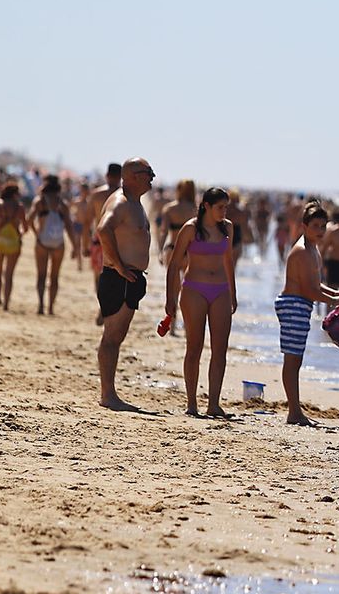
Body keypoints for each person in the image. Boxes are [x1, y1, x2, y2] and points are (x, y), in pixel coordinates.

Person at [274, 200, 339, 427]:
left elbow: (316, 283)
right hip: (294, 304)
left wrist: (335, 292)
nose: (320, 230)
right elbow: (309, 290)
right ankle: (294, 411)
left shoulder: (312, 249)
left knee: (296, 359)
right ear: (305, 226)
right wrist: (334, 300)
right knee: (292, 360)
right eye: (315, 225)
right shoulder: (302, 251)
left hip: (300, 304)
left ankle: (295, 410)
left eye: (323, 226)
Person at [164, 187, 237, 418]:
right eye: (220, 207)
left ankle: (213, 404)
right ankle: (192, 403)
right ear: (206, 205)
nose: (224, 211)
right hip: (194, 290)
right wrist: (170, 298)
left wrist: (233, 294)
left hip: (221, 292)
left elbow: (228, 261)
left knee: (220, 349)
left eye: (226, 207)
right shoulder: (190, 229)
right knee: (194, 347)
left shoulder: (228, 228)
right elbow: (174, 265)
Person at [95, 158, 155, 411]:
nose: (152, 176)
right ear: (132, 176)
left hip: (129, 279)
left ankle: (110, 393)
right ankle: (108, 395)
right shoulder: (120, 201)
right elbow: (103, 229)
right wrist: (119, 265)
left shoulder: (134, 203)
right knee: (111, 337)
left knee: (116, 337)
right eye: (148, 172)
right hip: (118, 278)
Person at [28, 175, 71, 314]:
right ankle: (51, 307)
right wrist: (76, 246)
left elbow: (29, 220)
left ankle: (41, 305)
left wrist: (37, 234)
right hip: (58, 243)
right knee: (54, 276)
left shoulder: (39, 201)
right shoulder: (62, 203)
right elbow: (69, 225)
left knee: (41, 275)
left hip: (42, 242)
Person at [84, 163, 122, 286]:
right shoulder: (124, 196)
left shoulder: (96, 195)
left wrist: (85, 245)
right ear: (121, 177)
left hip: (99, 239)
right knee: (117, 276)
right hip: (119, 242)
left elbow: (87, 222)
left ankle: (102, 303)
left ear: (107, 175)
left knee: (98, 275)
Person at [158, 180, 198, 264]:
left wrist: (160, 251)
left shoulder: (169, 209)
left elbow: (163, 232)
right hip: (191, 251)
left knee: (172, 276)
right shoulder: (196, 210)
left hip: (173, 249)